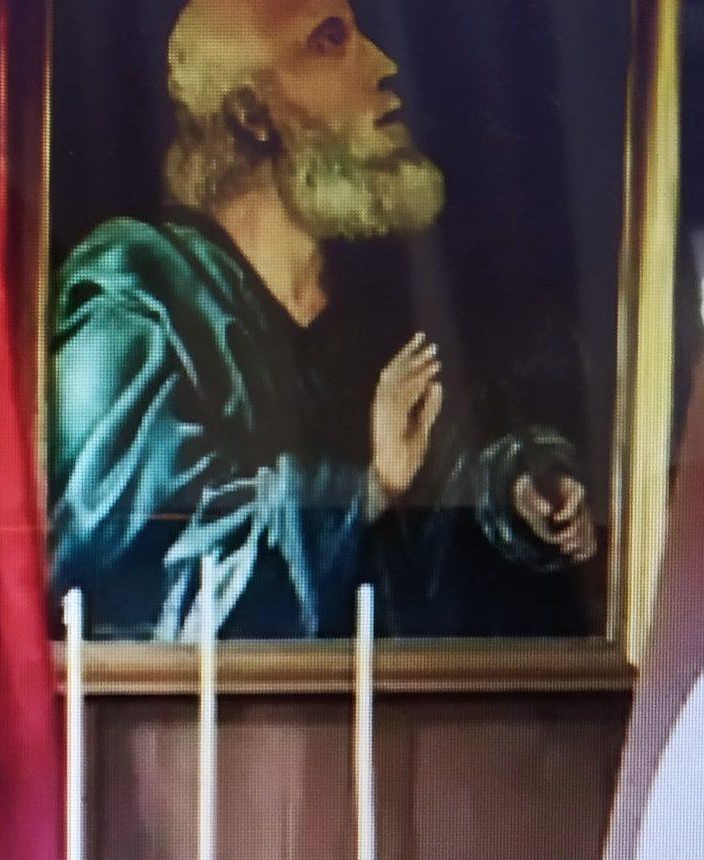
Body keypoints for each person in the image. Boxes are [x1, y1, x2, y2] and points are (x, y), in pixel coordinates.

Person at [47, 0, 598, 642]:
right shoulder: (139, 293)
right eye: (329, 40)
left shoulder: (374, 316)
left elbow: (447, 488)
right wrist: (368, 491)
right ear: (253, 114)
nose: (384, 64)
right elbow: (126, 574)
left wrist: (522, 491)